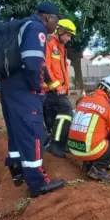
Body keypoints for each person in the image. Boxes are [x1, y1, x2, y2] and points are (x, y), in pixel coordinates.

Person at [0, 1, 65, 197]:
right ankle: (37, 183)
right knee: (33, 134)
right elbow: (34, 63)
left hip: (9, 86)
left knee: (17, 131)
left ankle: (18, 170)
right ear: (47, 17)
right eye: (56, 20)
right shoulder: (37, 28)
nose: (56, 26)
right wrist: (37, 89)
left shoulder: (23, 25)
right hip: (23, 89)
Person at [67, 74, 110, 182]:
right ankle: (99, 168)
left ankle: (88, 164)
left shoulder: (84, 99)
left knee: (97, 133)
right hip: (89, 149)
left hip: (73, 148)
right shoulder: (109, 106)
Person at [43, 19, 77, 158]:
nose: (69, 39)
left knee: (53, 118)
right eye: (68, 35)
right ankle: (55, 144)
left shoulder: (61, 47)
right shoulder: (49, 43)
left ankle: (59, 144)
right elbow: (45, 67)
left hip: (57, 90)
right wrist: (56, 86)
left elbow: (61, 70)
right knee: (66, 111)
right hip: (50, 89)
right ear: (60, 30)